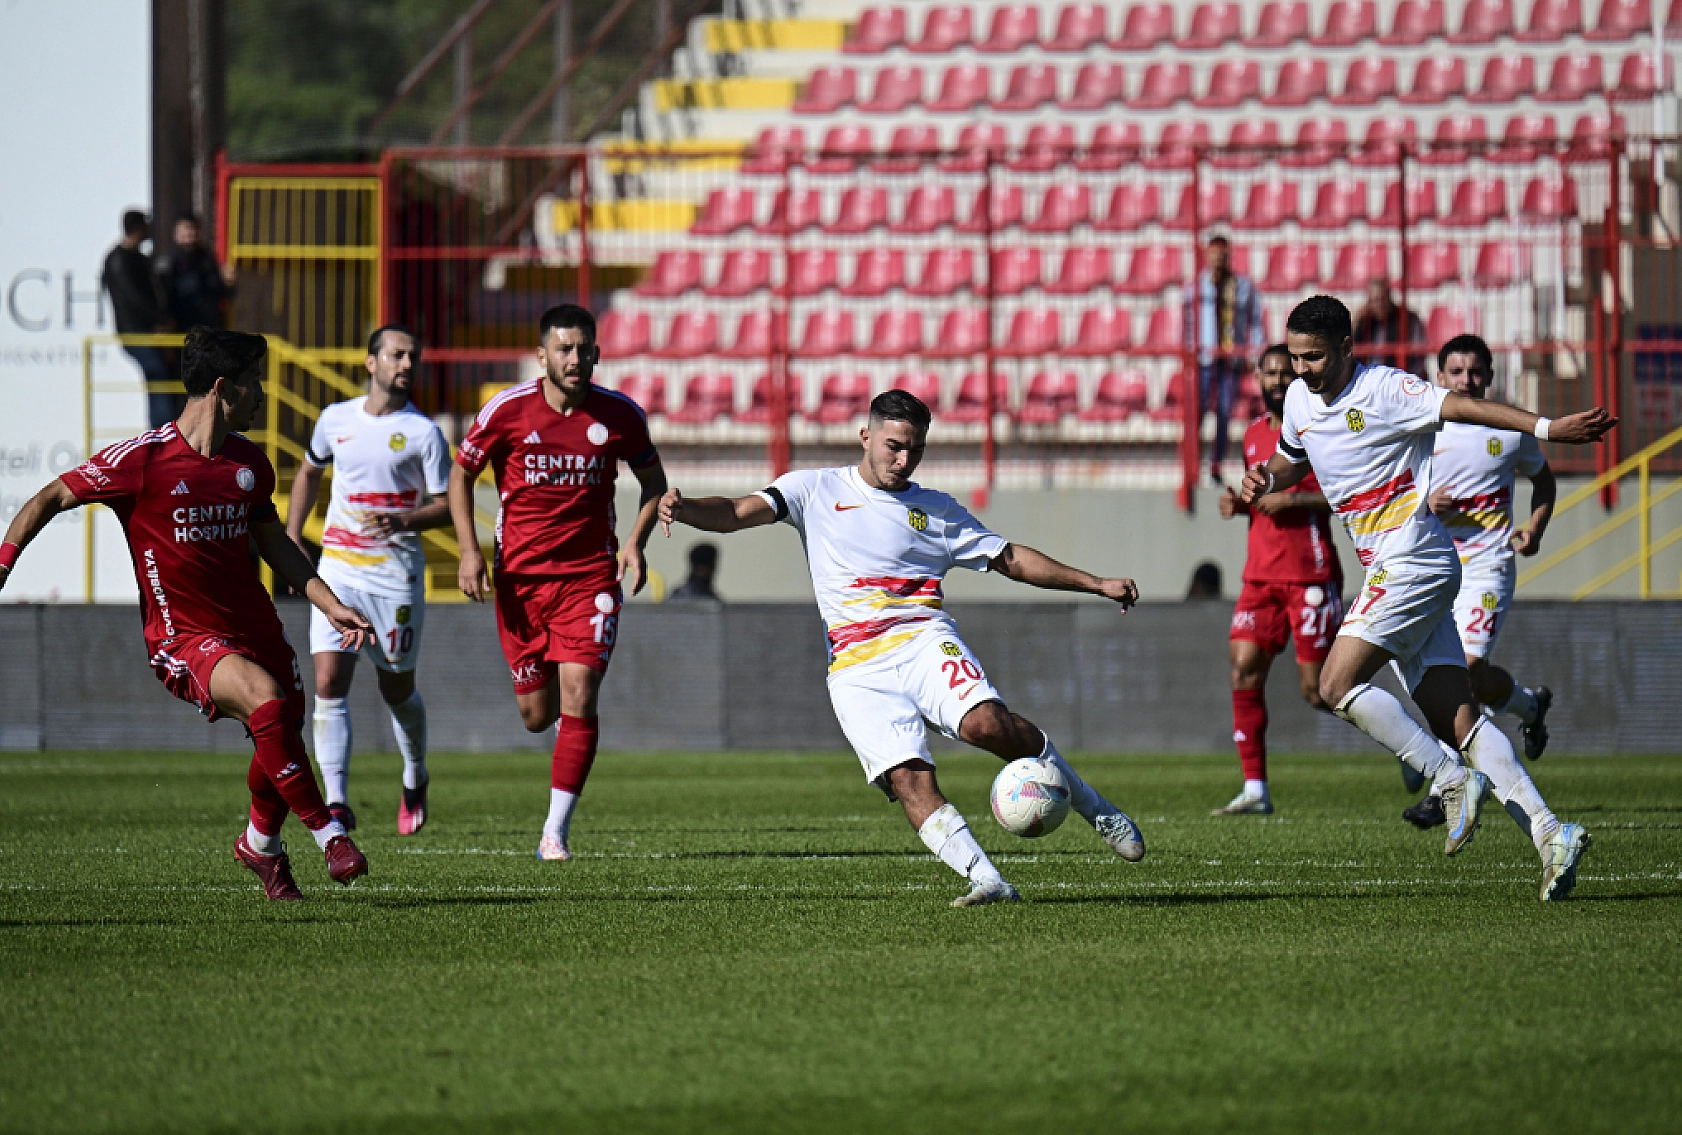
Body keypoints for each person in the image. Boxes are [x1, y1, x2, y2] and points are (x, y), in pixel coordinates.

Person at [657, 390, 1148, 908]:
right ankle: (988, 881)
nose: (903, 459)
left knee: (985, 725)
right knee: (908, 777)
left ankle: (1093, 806)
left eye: (915, 449)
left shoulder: (936, 510)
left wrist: (1095, 583)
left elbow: (1010, 559)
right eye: (894, 445)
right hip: (854, 667)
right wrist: (685, 508)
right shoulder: (813, 489)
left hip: (922, 639)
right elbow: (737, 512)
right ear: (865, 437)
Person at [1240, 295, 1612, 901]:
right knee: (1457, 716)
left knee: (1333, 686)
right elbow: (1291, 456)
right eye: (1295, 356)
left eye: (1314, 357)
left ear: (1346, 349)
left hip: (1412, 557)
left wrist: (1548, 430)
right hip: (1399, 564)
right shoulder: (1302, 400)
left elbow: (1466, 405)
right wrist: (1266, 477)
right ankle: (1552, 833)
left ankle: (1445, 777)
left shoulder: (1385, 389)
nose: (1302, 369)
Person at [0, 327, 374, 900]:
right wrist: (4, 563)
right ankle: (329, 835)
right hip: (184, 637)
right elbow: (51, 496)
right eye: (254, 385)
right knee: (266, 701)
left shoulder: (249, 464)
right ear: (223, 389)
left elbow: (275, 547)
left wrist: (330, 603)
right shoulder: (143, 461)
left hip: (256, 625)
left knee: (282, 730)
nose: (262, 397)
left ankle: (261, 848)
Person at [448, 303, 668, 861]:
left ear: (597, 352)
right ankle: (557, 762)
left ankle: (554, 833)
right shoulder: (506, 411)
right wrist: (469, 551)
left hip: (590, 578)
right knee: (536, 716)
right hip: (520, 582)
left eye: (584, 348)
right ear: (542, 355)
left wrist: (635, 544)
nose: (575, 358)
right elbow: (460, 474)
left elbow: (654, 484)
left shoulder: (619, 415)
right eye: (564, 349)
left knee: (580, 692)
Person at [286, 325, 451, 835]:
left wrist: (406, 520)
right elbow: (309, 472)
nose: (406, 363)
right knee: (329, 682)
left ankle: (415, 774)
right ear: (371, 362)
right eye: (396, 354)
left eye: (413, 356)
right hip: (338, 569)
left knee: (396, 689)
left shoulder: (424, 433)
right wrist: (292, 539)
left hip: (395, 577)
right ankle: (336, 801)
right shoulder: (336, 420)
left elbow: (447, 505)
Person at [1402, 334, 1556, 831]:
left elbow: (1544, 481)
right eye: (1456, 371)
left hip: (1488, 566)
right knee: (1460, 675)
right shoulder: (1422, 426)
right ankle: (1530, 707)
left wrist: (1535, 528)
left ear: (1488, 376)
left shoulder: (1510, 429)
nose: (1466, 379)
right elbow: (1393, 494)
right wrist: (1424, 507)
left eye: (1475, 371)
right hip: (1431, 563)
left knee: (1463, 671)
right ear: (1440, 376)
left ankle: (1441, 787)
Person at [1213, 344, 1344, 816]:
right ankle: (1255, 788)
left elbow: (1345, 493)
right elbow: (1257, 495)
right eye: (1268, 374)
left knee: (1321, 691)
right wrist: (1239, 504)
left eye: (1284, 374)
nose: (1276, 381)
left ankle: (1407, 742)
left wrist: (1294, 503)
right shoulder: (1252, 435)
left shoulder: (1318, 428)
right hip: (1261, 577)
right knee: (1243, 667)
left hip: (1309, 574)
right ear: (1258, 379)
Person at [1183, 235, 1264, 483]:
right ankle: (1193, 464)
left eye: (1222, 254)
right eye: (1214, 254)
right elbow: (1187, 323)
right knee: (1198, 412)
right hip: (1205, 359)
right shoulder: (1196, 288)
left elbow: (1255, 321)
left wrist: (1254, 352)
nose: (1218, 259)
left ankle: (1216, 465)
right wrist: (1189, 351)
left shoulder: (1242, 287)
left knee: (1224, 412)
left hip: (1230, 360)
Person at [102, 210, 178, 428]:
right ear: (138, 229)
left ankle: (163, 433)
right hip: (136, 332)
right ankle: (162, 434)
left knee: (161, 376)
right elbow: (133, 298)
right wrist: (161, 320)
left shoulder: (137, 259)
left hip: (145, 330)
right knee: (159, 375)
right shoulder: (119, 261)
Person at [158, 214, 235, 332]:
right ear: (176, 234)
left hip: (210, 325)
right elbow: (164, 295)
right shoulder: (169, 262)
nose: (190, 233)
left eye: (193, 228)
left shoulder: (207, 258)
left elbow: (220, 290)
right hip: (182, 325)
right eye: (185, 229)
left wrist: (229, 284)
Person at [1352, 277, 1427, 376]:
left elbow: (1418, 355)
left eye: (1382, 299)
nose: (1379, 305)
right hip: (1369, 379)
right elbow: (1351, 352)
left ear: (1389, 297)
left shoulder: (1408, 319)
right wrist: (1356, 322)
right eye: (1374, 300)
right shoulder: (1364, 322)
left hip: (1401, 378)